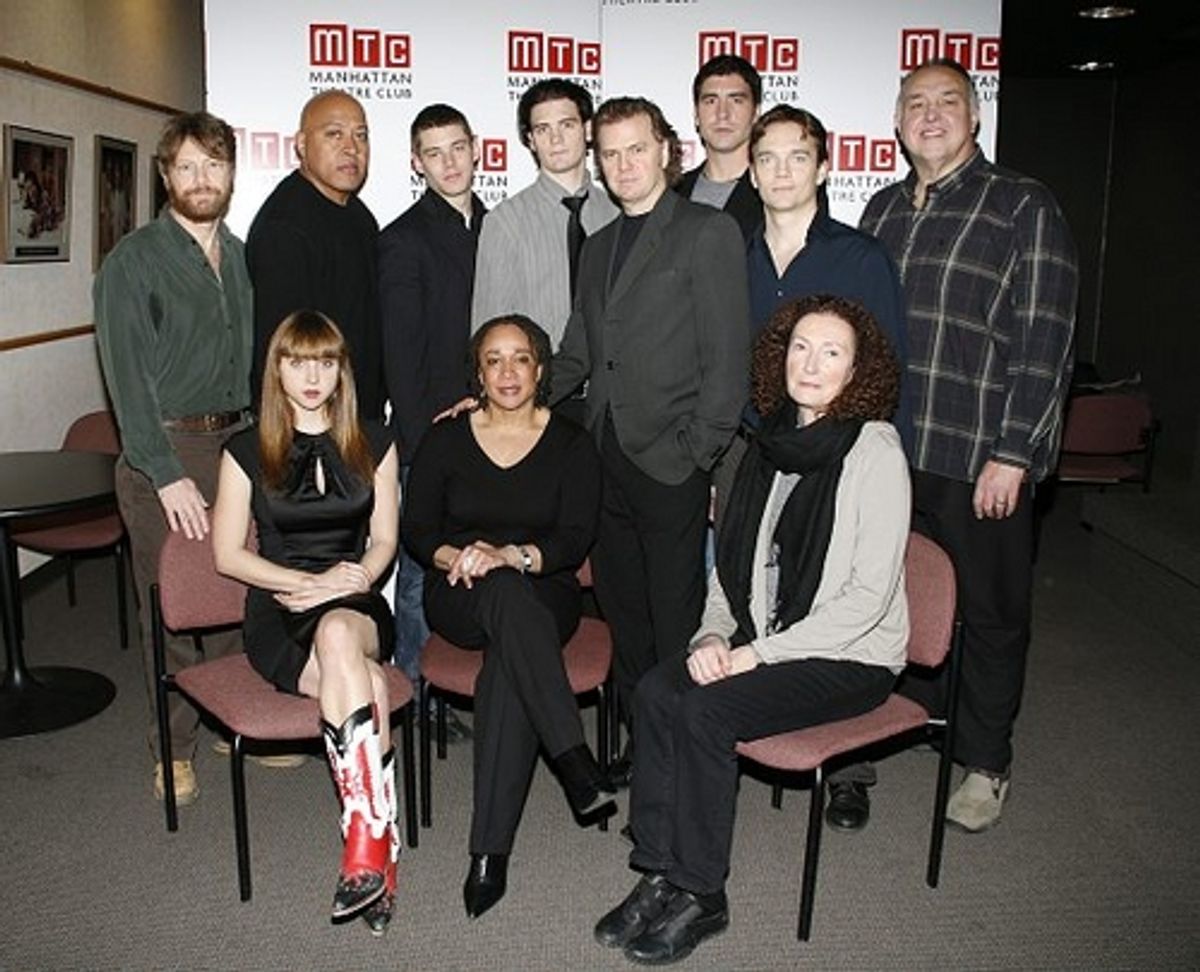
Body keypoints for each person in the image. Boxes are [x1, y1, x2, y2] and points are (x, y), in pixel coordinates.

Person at [594, 295, 910, 965]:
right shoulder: (769, 442)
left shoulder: (875, 452)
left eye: (832, 352)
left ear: (858, 371)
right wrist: (713, 636)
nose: (812, 363)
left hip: (851, 656)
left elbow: (866, 601)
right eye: (800, 346)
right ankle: (659, 869)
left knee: (706, 712)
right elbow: (734, 566)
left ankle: (703, 892)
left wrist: (752, 656)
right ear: (779, 355)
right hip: (771, 639)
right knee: (655, 691)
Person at [856, 57, 1078, 833]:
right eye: (915, 102)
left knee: (989, 614)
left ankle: (986, 762)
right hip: (890, 454)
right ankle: (912, 718)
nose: (930, 115)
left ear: (974, 117)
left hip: (979, 453)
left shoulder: (1022, 205)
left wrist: (1016, 451)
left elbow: (1044, 339)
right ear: (895, 120)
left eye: (948, 101)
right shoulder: (881, 211)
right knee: (891, 603)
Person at [550, 96, 749, 782]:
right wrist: (506, 395)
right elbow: (579, 350)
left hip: (671, 463)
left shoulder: (706, 232)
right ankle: (643, 746)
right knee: (626, 617)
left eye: (637, 148)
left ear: (668, 150)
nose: (624, 164)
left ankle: (683, 755)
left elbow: (729, 362)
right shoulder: (599, 244)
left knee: (675, 622)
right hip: (605, 459)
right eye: (610, 153)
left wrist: (697, 453)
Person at [403, 314, 609, 920]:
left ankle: (488, 854)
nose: (508, 371)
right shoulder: (445, 438)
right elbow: (419, 532)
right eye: (494, 359)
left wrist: (512, 556)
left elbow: (576, 536)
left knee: (509, 659)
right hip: (460, 592)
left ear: (541, 369)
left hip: (545, 586)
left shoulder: (572, 441)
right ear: (479, 371)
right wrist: (463, 558)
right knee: (502, 595)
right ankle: (574, 759)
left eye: (521, 358)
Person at [211, 311, 401, 935]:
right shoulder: (244, 448)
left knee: (342, 632)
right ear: (278, 370)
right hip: (279, 608)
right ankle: (380, 850)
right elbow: (228, 554)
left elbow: (383, 541)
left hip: (355, 601)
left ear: (341, 370)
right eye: (298, 361)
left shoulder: (375, 439)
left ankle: (364, 845)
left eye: (325, 362)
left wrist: (357, 579)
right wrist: (303, 584)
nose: (312, 376)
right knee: (368, 688)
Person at [94, 111, 254, 806]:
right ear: (166, 177)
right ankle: (174, 746)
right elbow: (127, 382)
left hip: (235, 443)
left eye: (213, 166)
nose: (201, 179)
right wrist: (164, 473)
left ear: (230, 174)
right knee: (171, 604)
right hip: (166, 446)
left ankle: (229, 721)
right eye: (186, 167)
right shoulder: (133, 260)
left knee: (233, 594)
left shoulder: (240, 254)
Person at [379, 104, 487, 712]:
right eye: (434, 152)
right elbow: (403, 359)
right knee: (420, 573)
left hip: (494, 434)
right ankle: (416, 693)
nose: (449, 162)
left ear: (477, 150)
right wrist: (423, 451)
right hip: (432, 440)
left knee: (480, 565)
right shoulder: (402, 240)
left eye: (457, 147)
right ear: (417, 163)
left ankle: (468, 682)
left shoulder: (496, 227)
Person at [246, 89, 384, 419]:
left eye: (361, 135)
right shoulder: (285, 227)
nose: (351, 148)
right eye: (334, 134)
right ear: (302, 145)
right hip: (312, 425)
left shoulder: (358, 214)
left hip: (359, 417)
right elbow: (283, 351)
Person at [471, 78, 618, 353]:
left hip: (613, 386)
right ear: (530, 140)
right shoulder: (504, 222)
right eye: (543, 129)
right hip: (540, 388)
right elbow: (487, 333)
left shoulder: (616, 213)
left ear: (588, 130)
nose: (556, 139)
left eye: (567, 125)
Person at [674, 54, 762, 241]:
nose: (722, 114)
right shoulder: (671, 193)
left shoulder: (777, 190)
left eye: (736, 100)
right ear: (696, 115)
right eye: (711, 101)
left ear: (756, 113)